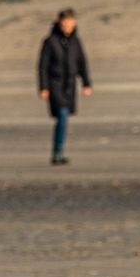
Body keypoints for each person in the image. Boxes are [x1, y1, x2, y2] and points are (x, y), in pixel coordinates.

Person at [37, 9, 91, 165]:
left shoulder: (75, 41)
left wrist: (86, 83)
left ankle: (58, 152)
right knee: (62, 114)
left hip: (70, 85)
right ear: (59, 22)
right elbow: (42, 66)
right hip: (55, 84)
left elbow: (82, 63)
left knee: (64, 117)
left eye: (70, 21)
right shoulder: (50, 41)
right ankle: (57, 153)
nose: (67, 24)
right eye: (65, 22)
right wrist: (43, 87)